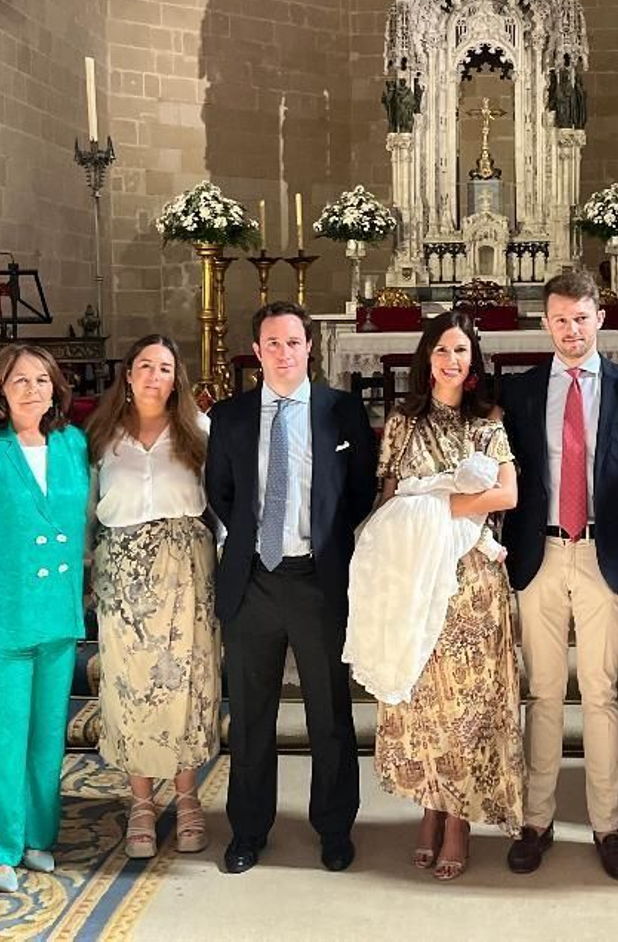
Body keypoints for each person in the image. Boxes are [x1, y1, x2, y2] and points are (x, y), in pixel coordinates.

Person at [497, 269, 618, 881]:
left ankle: (608, 824)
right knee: (543, 691)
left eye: (582, 318)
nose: (572, 330)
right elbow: (507, 476)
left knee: (599, 692)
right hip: (538, 554)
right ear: (545, 323)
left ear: (601, 319)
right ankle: (536, 819)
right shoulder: (518, 393)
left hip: (603, 554)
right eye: (560, 319)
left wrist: (615, 520)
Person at [204, 301, 378, 875]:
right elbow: (222, 492)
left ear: (311, 348)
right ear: (257, 352)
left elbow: (357, 493)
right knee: (252, 715)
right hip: (253, 579)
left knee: (329, 713)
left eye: (293, 342)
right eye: (272, 344)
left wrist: (322, 546)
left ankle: (333, 828)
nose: (283, 353)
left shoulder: (341, 412)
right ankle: (248, 830)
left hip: (316, 580)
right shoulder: (230, 417)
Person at [351, 310, 522, 882]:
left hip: (471, 582)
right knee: (425, 702)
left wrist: (439, 507)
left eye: (463, 352)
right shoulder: (403, 421)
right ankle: (429, 806)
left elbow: (507, 497)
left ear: (474, 363)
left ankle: (459, 821)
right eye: (444, 350)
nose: (453, 361)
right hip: (413, 575)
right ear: (428, 357)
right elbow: (391, 493)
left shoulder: (487, 424)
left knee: (467, 706)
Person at [0, 344, 92, 893]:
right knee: (2, 736)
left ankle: (36, 837)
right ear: (0, 392)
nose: (32, 389)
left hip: (57, 614)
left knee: (46, 736)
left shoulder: (73, 444)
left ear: (56, 389)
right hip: (1, 614)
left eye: (41, 380)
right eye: (19, 380)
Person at [84, 334, 219, 858]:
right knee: (129, 685)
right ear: (128, 374)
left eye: (164, 367)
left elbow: (223, 499)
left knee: (186, 682)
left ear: (175, 378)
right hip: (122, 567)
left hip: (185, 563)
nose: (153, 376)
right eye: (144, 365)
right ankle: (140, 802)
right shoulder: (100, 436)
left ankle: (187, 800)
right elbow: (87, 506)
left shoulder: (198, 430)